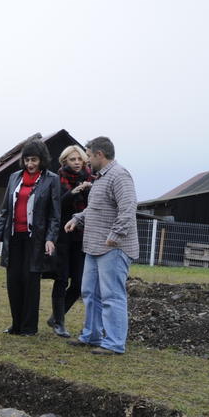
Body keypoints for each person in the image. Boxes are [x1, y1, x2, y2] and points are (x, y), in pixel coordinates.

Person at [64, 136, 139, 355]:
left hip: (113, 248)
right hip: (94, 246)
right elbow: (96, 208)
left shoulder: (120, 175)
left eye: (88, 154)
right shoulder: (100, 178)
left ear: (99, 154)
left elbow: (128, 207)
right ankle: (92, 335)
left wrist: (116, 235)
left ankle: (114, 343)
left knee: (112, 296)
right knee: (90, 292)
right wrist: (77, 218)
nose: (86, 160)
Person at [0, 139, 61, 336]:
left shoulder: (51, 179)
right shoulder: (14, 178)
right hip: (14, 238)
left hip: (35, 240)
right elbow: (5, 211)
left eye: (34, 160)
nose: (30, 164)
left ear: (42, 160)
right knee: (14, 281)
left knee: (30, 281)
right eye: (27, 160)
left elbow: (55, 214)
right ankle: (16, 324)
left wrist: (50, 238)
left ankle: (29, 327)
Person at [46, 145, 96, 337]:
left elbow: (93, 206)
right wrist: (74, 191)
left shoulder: (92, 179)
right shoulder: (57, 179)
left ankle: (55, 317)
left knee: (78, 283)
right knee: (61, 279)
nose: (76, 163)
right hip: (62, 236)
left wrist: (87, 190)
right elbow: (57, 205)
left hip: (82, 237)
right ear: (64, 161)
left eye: (79, 159)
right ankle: (59, 323)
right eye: (72, 159)